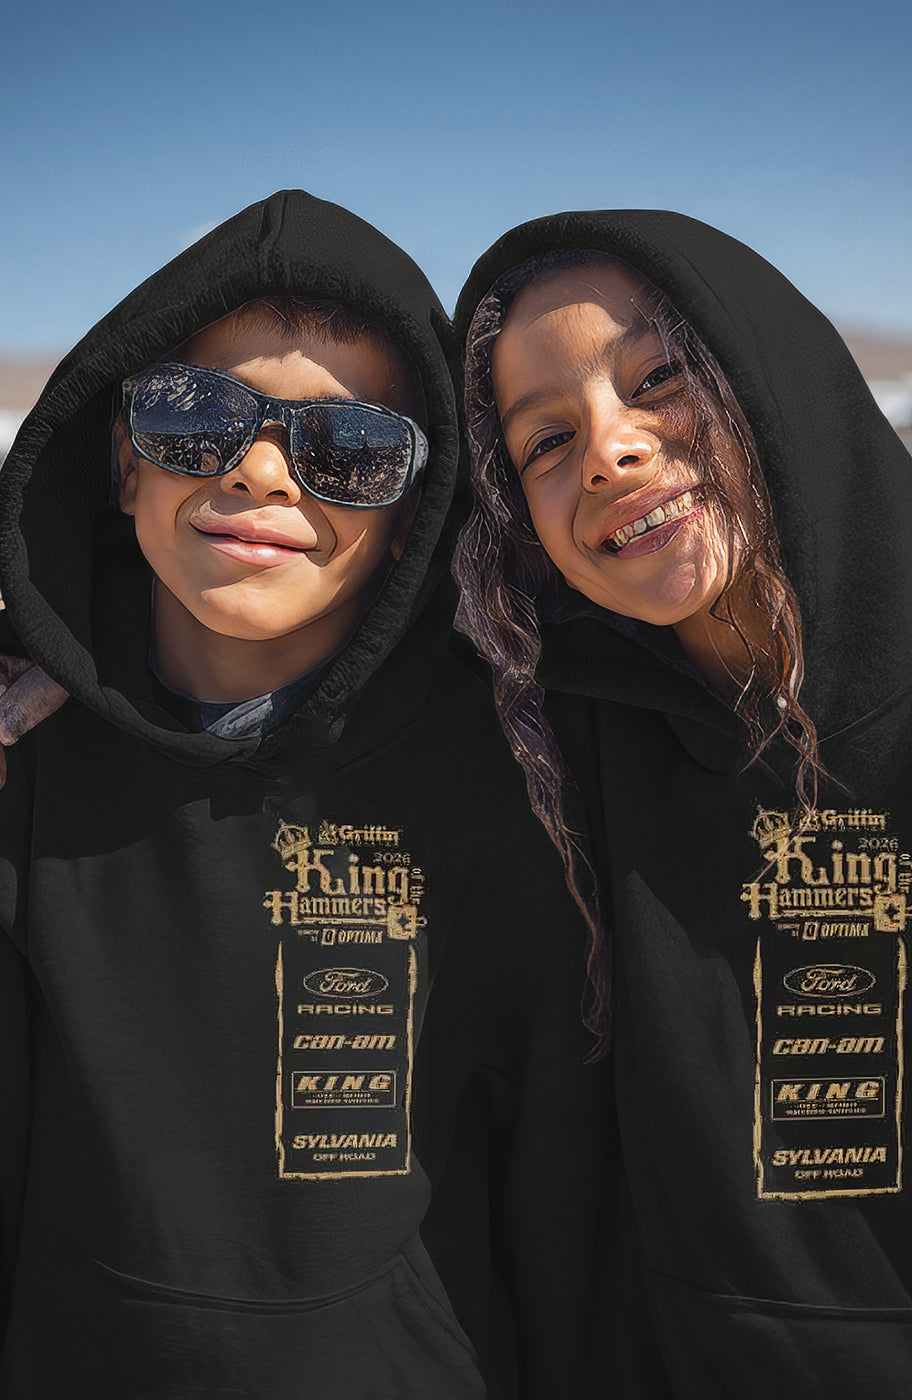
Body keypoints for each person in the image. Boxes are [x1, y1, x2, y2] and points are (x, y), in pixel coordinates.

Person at [0, 191, 616, 1398]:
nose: (263, 471)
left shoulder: (512, 783)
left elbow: (563, 1198)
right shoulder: (28, 754)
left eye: (351, 450)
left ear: (414, 511)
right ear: (121, 460)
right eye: (195, 418)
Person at [453, 212, 912, 1396]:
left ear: (771, 375)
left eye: (657, 378)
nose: (610, 451)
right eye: (546, 439)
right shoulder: (550, 753)